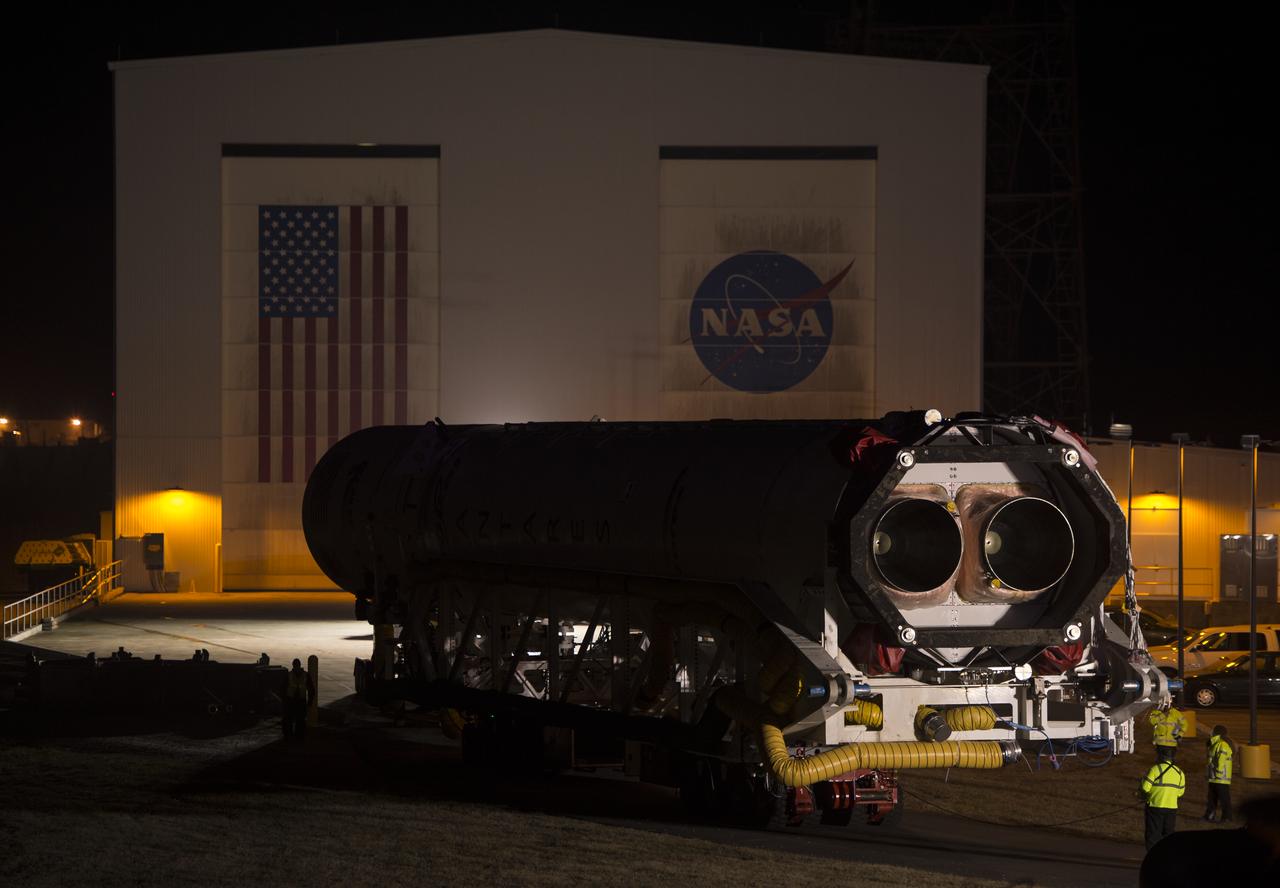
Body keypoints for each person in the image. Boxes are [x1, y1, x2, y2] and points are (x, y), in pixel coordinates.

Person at [1140, 745, 1186, 851]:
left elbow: (1145, 788)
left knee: (1153, 835)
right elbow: (1180, 793)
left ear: (1160, 756)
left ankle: (1153, 859)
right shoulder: (1180, 773)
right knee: (1168, 835)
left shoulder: (1155, 769)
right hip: (1172, 808)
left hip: (1155, 806)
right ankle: (1167, 858)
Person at [1204, 724, 1234, 822]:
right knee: (1211, 799)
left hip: (1220, 778)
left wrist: (1219, 773)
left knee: (1224, 799)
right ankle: (1210, 815)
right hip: (1214, 777)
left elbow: (1221, 761)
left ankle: (1227, 817)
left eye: (1213, 731)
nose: (1210, 733)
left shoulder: (1222, 744)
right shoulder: (1215, 744)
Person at [283, 658, 311, 742]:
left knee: (295, 720)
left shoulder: (290, 675)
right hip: (294, 701)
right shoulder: (304, 675)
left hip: (295, 701)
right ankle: (297, 737)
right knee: (297, 720)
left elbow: (283, 688)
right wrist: (310, 700)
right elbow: (311, 689)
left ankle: (294, 737)